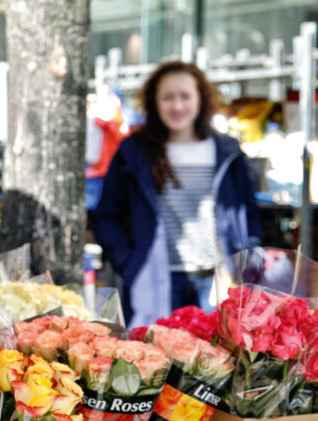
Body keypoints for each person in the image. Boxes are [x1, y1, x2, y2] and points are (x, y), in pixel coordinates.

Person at [92, 61, 261, 328]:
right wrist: (129, 262)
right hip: (154, 281)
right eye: (167, 97)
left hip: (216, 283)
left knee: (214, 364)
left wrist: (246, 256)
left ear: (200, 98)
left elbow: (247, 211)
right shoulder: (133, 152)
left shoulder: (227, 151)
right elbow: (106, 216)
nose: (177, 106)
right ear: (154, 101)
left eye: (185, 96)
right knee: (158, 362)